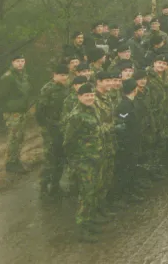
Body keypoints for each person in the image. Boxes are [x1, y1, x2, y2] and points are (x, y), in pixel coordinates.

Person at [63, 83, 104, 243]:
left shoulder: (92, 109)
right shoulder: (75, 116)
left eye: (92, 95)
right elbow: (68, 142)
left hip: (95, 157)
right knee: (86, 193)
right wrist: (77, 161)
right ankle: (82, 228)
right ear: (79, 97)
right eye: (86, 95)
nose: (90, 98)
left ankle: (90, 220)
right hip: (83, 161)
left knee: (93, 190)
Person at [35, 64, 71, 197]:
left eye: (66, 75)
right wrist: (46, 126)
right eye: (61, 75)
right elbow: (40, 111)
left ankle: (55, 185)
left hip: (62, 127)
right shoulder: (47, 89)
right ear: (54, 75)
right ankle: (43, 186)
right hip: (50, 128)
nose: (64, 78)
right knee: (50, 158)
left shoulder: (66, 88)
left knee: (61, 157)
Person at [0, 55, 32, 173]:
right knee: (13, 138)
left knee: (20, 137)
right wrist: (6, 110)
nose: (20, 64)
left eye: (22, 61)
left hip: (22, 111)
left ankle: (16, 160)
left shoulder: (23, 75)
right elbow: (1, 96)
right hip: (12, 113)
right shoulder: (8, 77)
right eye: (17, 61)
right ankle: (10, 164)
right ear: (12, 62)